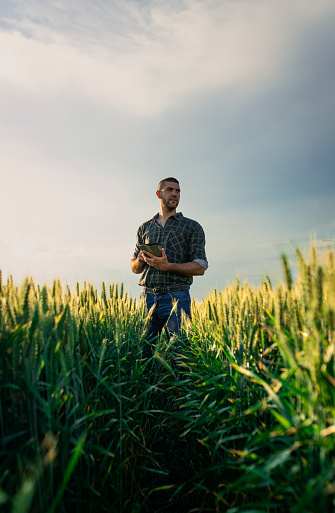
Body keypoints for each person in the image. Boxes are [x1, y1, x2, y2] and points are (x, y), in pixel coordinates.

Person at [130, 177, 208, 359]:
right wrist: (141, 259)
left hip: (177, 296)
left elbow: (200, 266)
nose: (175, 194)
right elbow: (134, 268)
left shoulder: (192, 227)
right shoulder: (145, 228)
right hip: (147, 297)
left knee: (180, 354)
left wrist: (168, 266)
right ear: (159, 194)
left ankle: (179, 388)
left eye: (178, 191)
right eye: (170, 190)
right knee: (144, 355)